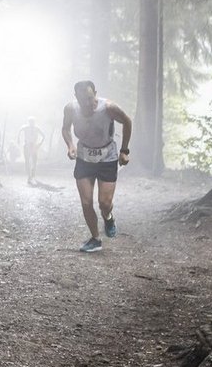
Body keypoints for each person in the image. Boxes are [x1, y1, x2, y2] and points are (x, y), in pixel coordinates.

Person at [60, 80, 132, 253]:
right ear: (76, 97)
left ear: (95, 94)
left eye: (90, 97)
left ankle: (108, 217)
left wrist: (124, 150)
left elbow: (127, 121)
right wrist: (70, 146)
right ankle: (95, 238)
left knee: (104, 203)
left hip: (107, 156)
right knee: (86, 202)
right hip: (84, 156)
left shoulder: (108, 108)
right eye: (82, 98)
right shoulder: (71, 109)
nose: (87, 102)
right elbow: (65, 128)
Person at [19, 117, 46, 185]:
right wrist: (18, 138)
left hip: (34, 146)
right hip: (27, 145)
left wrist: (40, 143)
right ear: (28, 122)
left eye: (32, 122)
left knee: (34, 161)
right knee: (27, 161)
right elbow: (20, 130)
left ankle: (32, 174)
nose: (31, 124)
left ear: (34, 123)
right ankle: (29, 176)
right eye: (30, 122)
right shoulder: (25, 127)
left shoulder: (36, 128)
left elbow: (43, 136)